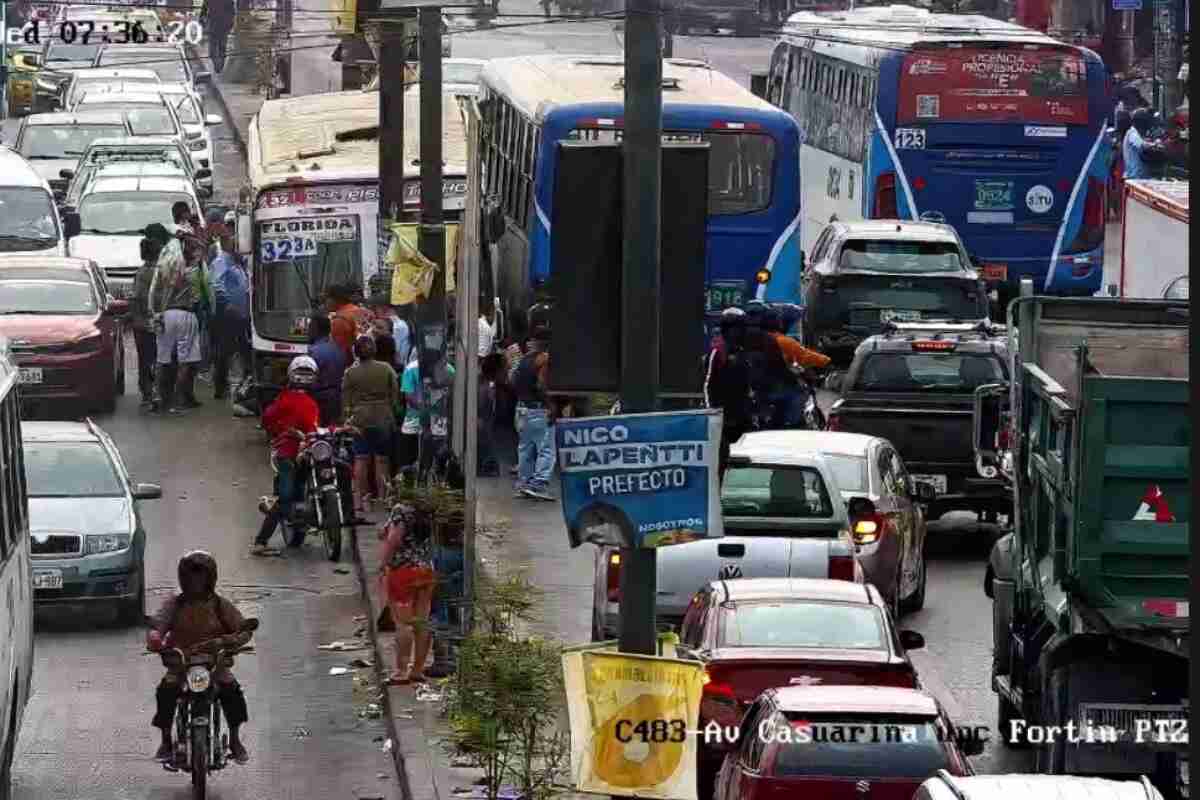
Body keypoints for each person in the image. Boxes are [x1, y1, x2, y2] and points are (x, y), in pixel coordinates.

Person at [146, 551, 253, 764]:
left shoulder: (220, 605)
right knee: (166, 691)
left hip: (214, 663)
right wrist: (155, 636)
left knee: (231, 690)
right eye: (192, 576)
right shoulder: (175, 605)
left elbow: (242, 628)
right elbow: (158, 623)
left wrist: (232, 641)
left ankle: (234, 739)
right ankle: (166, 740)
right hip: (182, 662)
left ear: (210, 578)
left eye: (201, 576)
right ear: (184, 578)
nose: (196, 581)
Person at [252, 357, 321, 554]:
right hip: (287, 453)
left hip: (304, 452)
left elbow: (267, 420)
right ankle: (260, 542)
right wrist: (286, 431)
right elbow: (269, 420)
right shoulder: (295, 400)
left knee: (296, 491)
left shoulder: (290, 399)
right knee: (285, 497)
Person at [149, 231, 208, 414]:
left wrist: (156, 314)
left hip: (166, 315)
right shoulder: (192, 269)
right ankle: (178, 400)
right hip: (185, 315)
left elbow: (154, 293)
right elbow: (199, 296)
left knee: (162, 359)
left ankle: (157, 396)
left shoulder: (164, 269)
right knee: (185, 361)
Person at [377, 504, 435, 685]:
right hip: (425, 570)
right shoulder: (429, 507)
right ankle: (417, 669)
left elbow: (394, 539)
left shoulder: (401, 510)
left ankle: (401, 671)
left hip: (403, 571)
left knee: (403, 624)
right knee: (422, 622)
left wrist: (383, 564)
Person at [343, 335, 400, 515]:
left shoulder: (351, 372)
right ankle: (382, 498)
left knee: (361, 459)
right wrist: (388, 409)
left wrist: (349, 416)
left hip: (360, 419)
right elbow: (395, 395)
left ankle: (361, 499)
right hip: (383, 417)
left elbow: (345, 400)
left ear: (356, 352)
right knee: (381, 460)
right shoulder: (386, 369)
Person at [704, 308, 752, 476]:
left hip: (741, 415)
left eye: (741, 328)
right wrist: (713, 414)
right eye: (736, 329)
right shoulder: (718, 351)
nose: (739, 333)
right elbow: (708, 383)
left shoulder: (742, 352)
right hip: (722, 418)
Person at [512, 325, 556, 501]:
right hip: (538, 409)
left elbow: (514, 381)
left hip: (521, 409)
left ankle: (523, 484)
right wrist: (550, 405)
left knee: (525, 449)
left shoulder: (524, 359)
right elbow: (541, 385)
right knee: (546, 449)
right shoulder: (544, 359)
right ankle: (538, 484)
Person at [208, 224, 250, 400]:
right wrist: (227, 304)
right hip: (228, 314)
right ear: (226, 244)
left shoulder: (236, 262)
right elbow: (216, 284)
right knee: (225, 350)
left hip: (241, 313)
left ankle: (245, 384)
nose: (236, 247)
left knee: (244, 348)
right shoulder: (221, 261)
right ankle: (220, 386)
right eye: (233, 243)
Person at [131, 235, 163, 410]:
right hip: (154, 322)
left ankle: (148, 393)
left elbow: (136, 298)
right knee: (158, 358)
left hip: (143, 324)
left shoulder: (142, 272)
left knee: (145, 360)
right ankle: (154, 393)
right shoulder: (158, 272)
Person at [308, 314, 347, 426]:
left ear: (315, 329)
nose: (308, 331)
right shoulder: (339, 349)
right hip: (336, 400)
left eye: (310, 327)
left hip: (319, 400)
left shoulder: (313, 352)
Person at [325, 284, 369, 358]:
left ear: (336, 299)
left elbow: (337, 350)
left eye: (326, 298)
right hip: (367, 357)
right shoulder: (362, 312)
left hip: (350, 362)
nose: (325, 302)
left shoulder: (339, 320)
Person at [1123, 108, 1164, 180]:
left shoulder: (1137, 134)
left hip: (1141, 176)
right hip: (1135, 176)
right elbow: (1142, 145)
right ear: (1140, 123)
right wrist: (1155, 145)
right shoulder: (1132, 133)